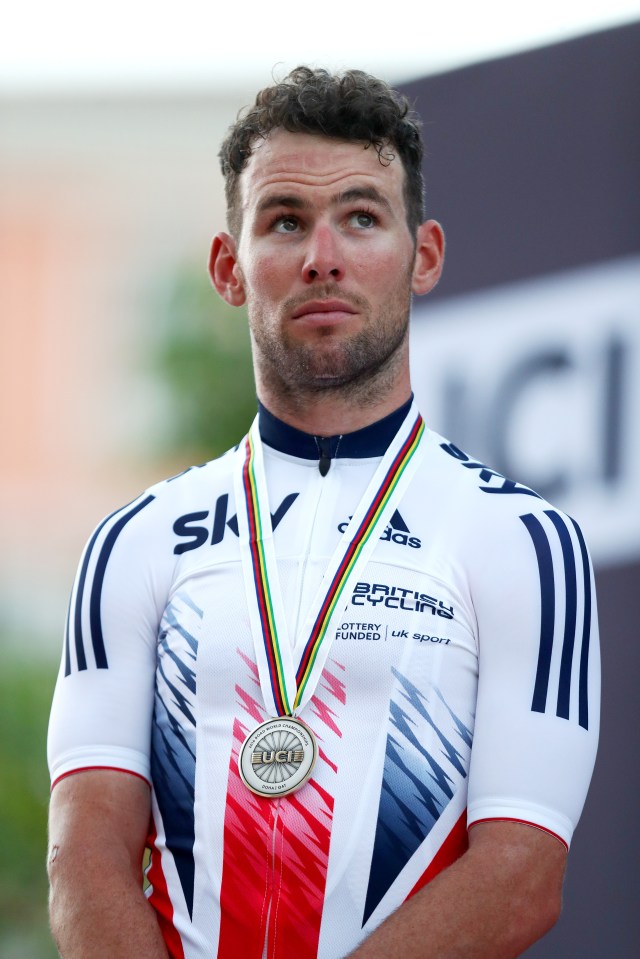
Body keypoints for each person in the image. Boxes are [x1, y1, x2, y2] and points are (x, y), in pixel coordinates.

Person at [47, 67, 600, 959]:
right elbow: (85, 857)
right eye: (284, 221)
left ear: (423, 255)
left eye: (362, 216)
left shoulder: (524, 542)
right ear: (230, 268)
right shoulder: (133, 543)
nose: (323, 256)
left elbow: (522, 875)